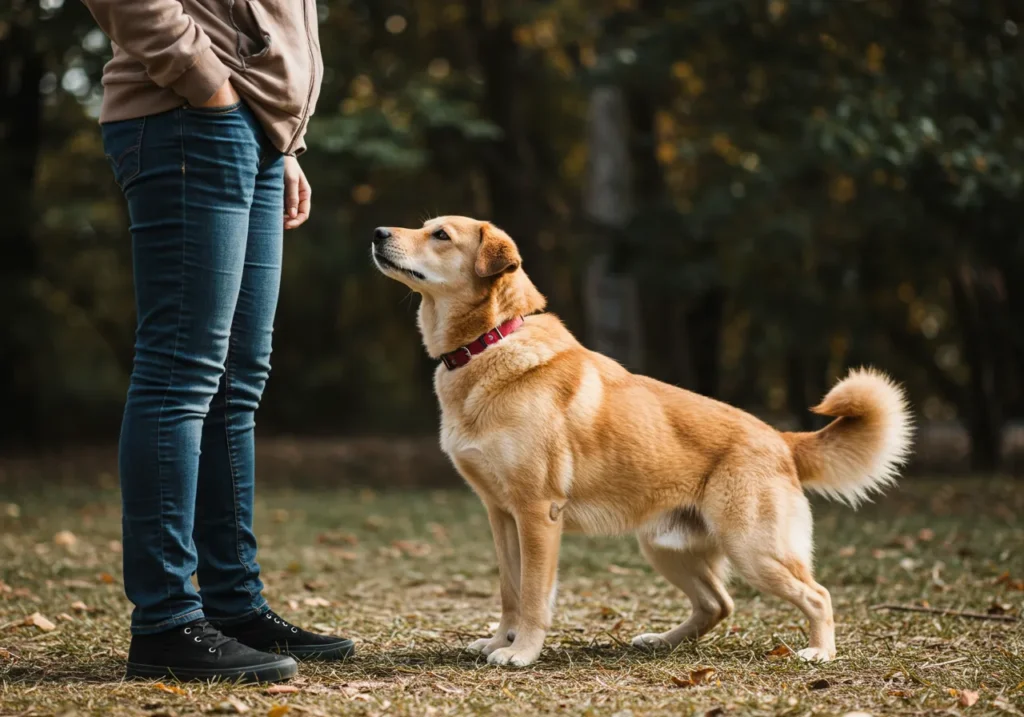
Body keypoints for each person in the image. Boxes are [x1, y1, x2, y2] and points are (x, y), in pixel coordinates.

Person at [81, 0, 352, 683]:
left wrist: (282, 140)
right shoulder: (200, 95)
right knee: (181, 373)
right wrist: (209, 85)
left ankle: (232, 605)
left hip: (251, 132)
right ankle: (167, 619)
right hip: (188, 116)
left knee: (235, 381)